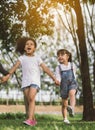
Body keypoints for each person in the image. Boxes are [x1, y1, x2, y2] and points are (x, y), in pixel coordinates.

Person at [4, 37, 60, 126]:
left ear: (34, 48)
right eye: (27, 44)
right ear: (24, 47)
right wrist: (7, 76)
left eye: (31, 44)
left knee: (31, 97)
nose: (29, 45)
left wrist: (54, 79)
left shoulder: (37, 58)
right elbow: (14, 67)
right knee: (30, 100)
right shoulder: (21, 58)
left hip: (35, 81)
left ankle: (29, 119)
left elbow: (45, 69)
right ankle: (33, 120)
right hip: (25, 82)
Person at [55, 49, 78, 124]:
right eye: (58, 55)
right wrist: (57, 81)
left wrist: (73, 82)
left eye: (62, 55)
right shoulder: (58, 67)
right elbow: (58, 76)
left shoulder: (72, 65)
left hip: (72, 83)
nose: (60, 57)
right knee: (64, 103)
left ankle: (72, 108)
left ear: (68, 56)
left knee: (72, 94)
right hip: (63, 85)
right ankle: (65, 118)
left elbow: (74, 75)